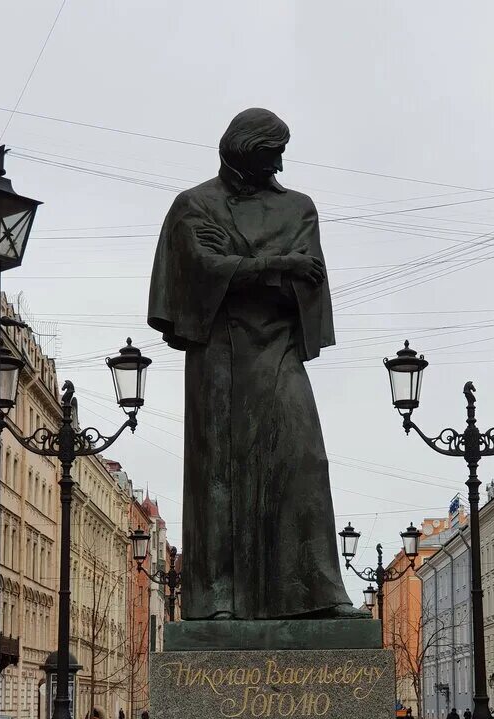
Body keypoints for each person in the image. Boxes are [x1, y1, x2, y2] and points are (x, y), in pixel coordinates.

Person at [147, 107, 358, 620]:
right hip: (216, 353)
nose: (281, 163)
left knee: (304, 460)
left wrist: (240, 268)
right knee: (217, 474)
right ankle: (215, 599)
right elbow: (198, 274)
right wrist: (275, 263)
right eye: (273, 153)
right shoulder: (193, 205)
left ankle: (317, 593)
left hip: (278, 347)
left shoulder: (298, 208)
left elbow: (308, 280)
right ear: (244, 150)